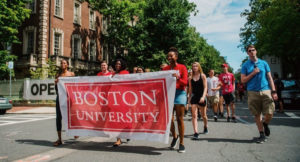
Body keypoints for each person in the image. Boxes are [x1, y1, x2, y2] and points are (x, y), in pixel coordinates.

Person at [241, 45, 277, 143]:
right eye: (249, 51)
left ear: (256, 51)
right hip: (252, 92)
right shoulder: (245, 65)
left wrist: (273, 91)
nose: (252, 52)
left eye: (253, 50)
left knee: (270, 112)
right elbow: (243, 80)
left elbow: (270, 78)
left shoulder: (264, 63)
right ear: (247, 53)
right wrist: (253, 73)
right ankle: (261, 134)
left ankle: (265, 123)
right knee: (257, 114)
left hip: (265, 90)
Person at [163, 47, 188, 153]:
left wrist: (177, 77)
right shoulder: (165, 69)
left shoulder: (182, 67)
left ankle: (182, 143)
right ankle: (175, 136)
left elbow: (185, 82)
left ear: (176, 57)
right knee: (169, 119)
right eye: (168, 56)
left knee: (179, 118)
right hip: (169, 93)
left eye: (171, 55)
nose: (169, 57)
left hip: (179, 94)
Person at [53, 59, 77, 146]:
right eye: (61, 63)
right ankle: (59, 139)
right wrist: (55, 84)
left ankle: (75, 132)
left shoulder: (71, 74)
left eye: (64, 63)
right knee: (58, 118)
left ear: (67, 65)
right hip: (59, 98)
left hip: (69, 98)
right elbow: (56, 90)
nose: (62, 64)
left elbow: (74, 87)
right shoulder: (58, 75)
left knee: (71, 116)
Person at [111, 58, 130, 147]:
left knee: (124, 118)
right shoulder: (113, 74)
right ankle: (118, 139)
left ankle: (127, 132)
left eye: (119, 64)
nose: (117, 65)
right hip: (115, 99)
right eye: (116, 64)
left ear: (122, 65)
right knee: (116, 119)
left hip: (124, 99)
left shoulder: (126, 73)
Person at [188, 62, 208, 140]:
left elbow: (205, 87)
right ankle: (196, 132)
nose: (195, 67)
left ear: (199, 67)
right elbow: (190, 89)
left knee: (203, 115)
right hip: (194, 97)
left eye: (196, 66)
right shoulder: (190, 77)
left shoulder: (203, 76)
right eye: (193, 66)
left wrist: (203, 97)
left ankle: (205, 126)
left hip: (202, 96)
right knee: (194, 115)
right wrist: (189, 98)